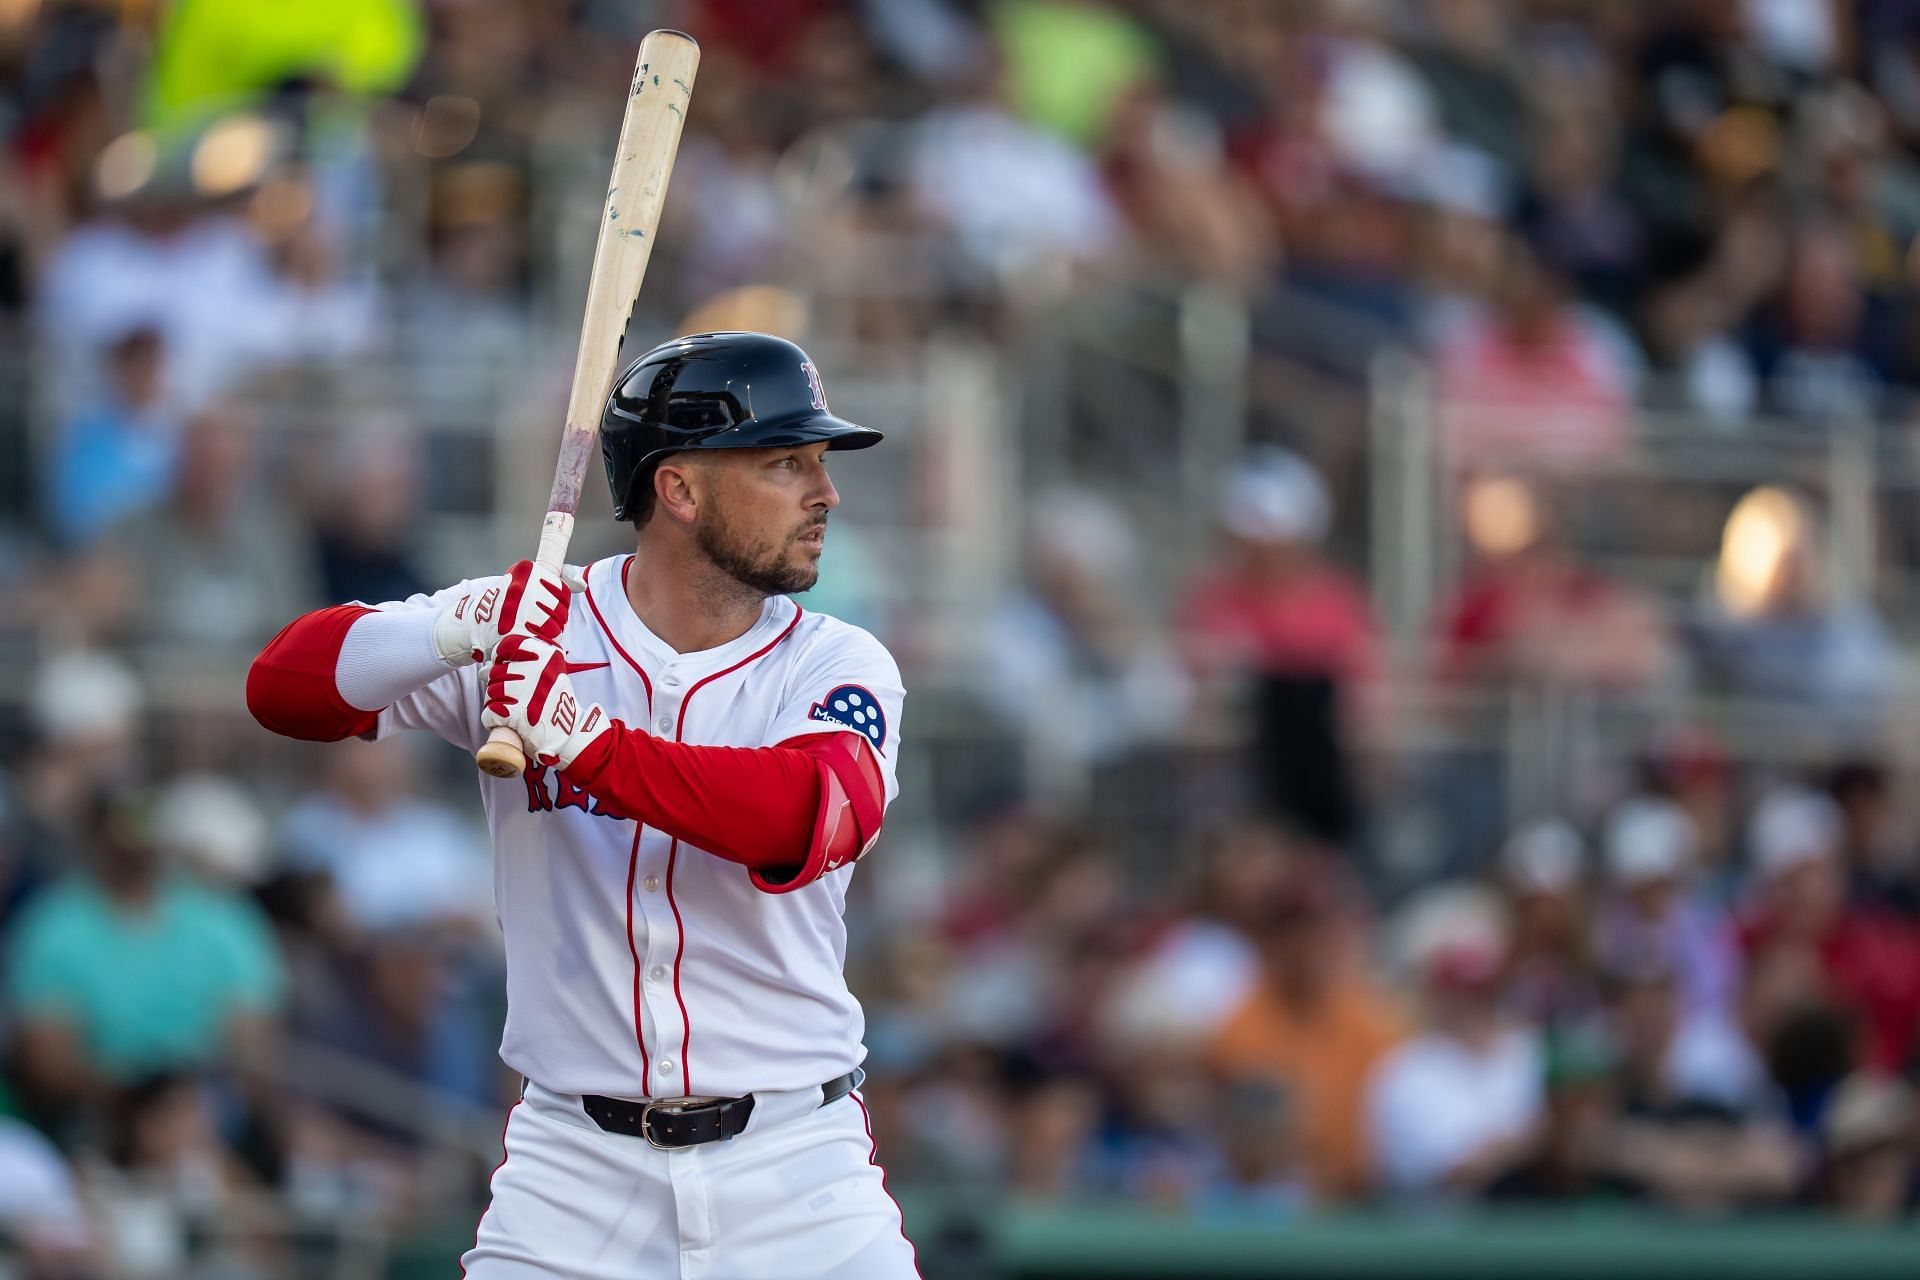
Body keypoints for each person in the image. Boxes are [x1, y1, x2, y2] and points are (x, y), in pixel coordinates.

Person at [246, 332, 918, 1277]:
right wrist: (454, 627)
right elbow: (281, 690)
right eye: (786, 462)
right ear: (679, 491)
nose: (825, 492)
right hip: (572, 1172)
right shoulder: (535, 626)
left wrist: (583, 741)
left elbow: (804, 816)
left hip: (797, 1168)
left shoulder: (837, 660)